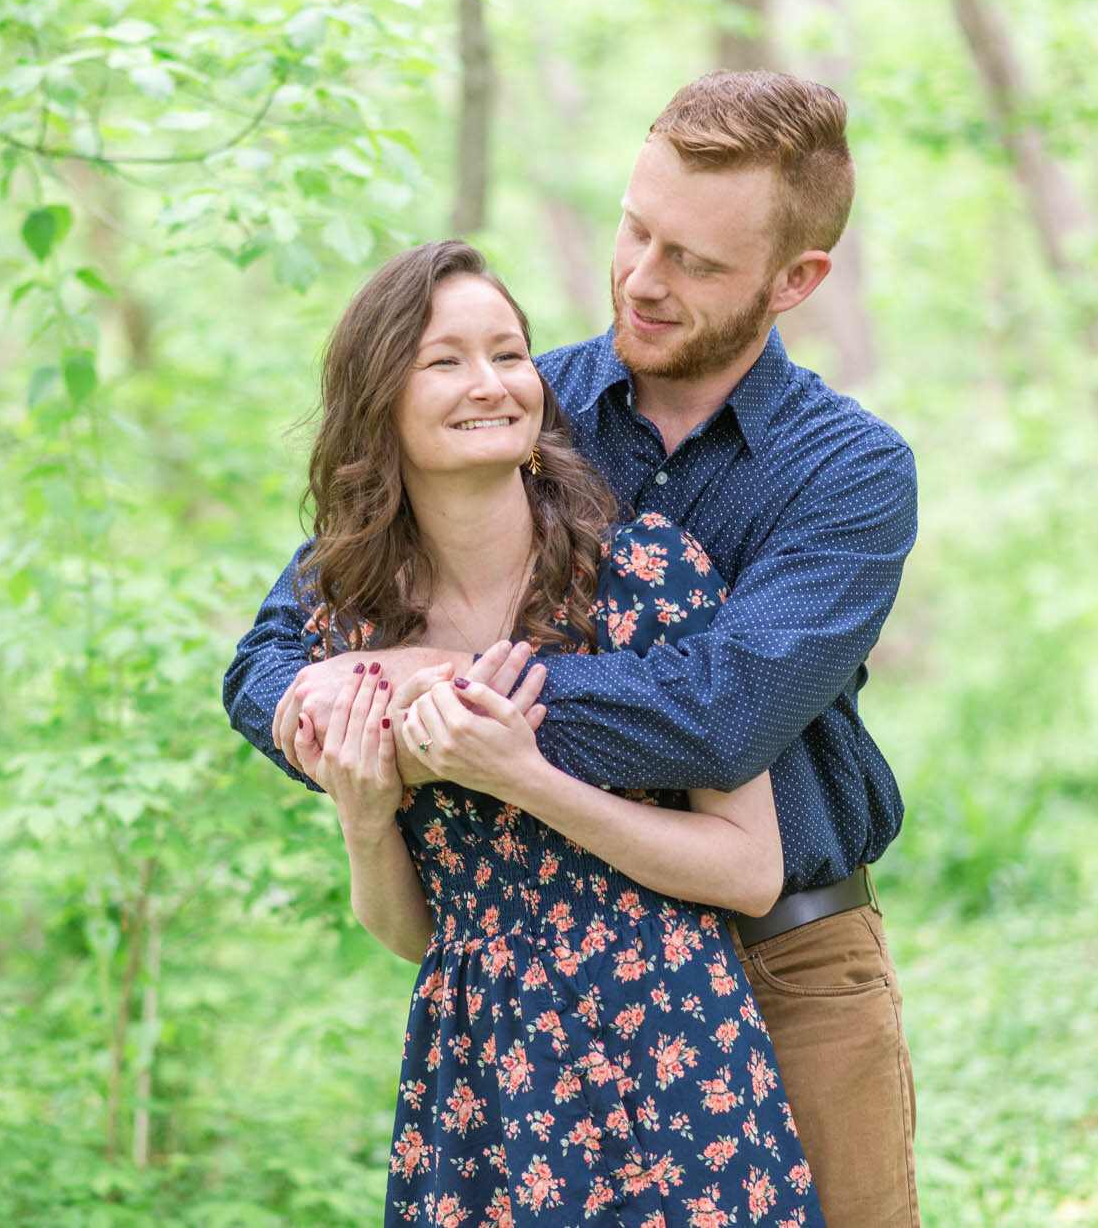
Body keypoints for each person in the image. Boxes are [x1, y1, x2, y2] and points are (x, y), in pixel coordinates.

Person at [226, 70, 919, 1228]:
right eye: (634, 228)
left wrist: (445, 699)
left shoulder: (843, 470)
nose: (642, 278)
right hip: (533, 985)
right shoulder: (515, 400)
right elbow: (274, 654)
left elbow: (719, 712)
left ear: (794, 280)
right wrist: (348, 725)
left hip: (785, 958)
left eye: (694, 261)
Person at [277, 237, 823, 1227]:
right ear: (379, 403)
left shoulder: (647, 574)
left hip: (671, 1048)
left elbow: (747, 869)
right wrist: (363, 819)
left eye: (509, 353)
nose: (489, 383)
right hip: (482, 1072)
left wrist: (525, 777)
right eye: (444, 361)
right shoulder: (352, 627)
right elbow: (417, 934)